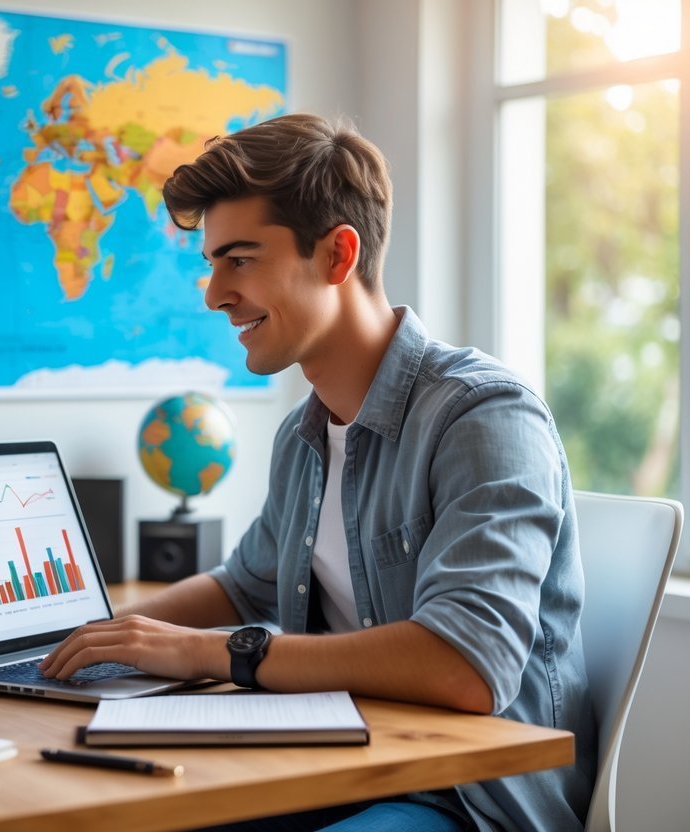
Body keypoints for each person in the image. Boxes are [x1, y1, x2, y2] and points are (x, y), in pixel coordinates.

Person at [39, 113, 596, 831]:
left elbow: (466, 664)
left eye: (238, 260)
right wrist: (96, 637)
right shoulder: (302, 436)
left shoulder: (483, 416)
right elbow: (244, 586)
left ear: (337, 255)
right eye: (211, 263)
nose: (212, 293)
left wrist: (212, 653)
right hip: (332, 771)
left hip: (464, 800)